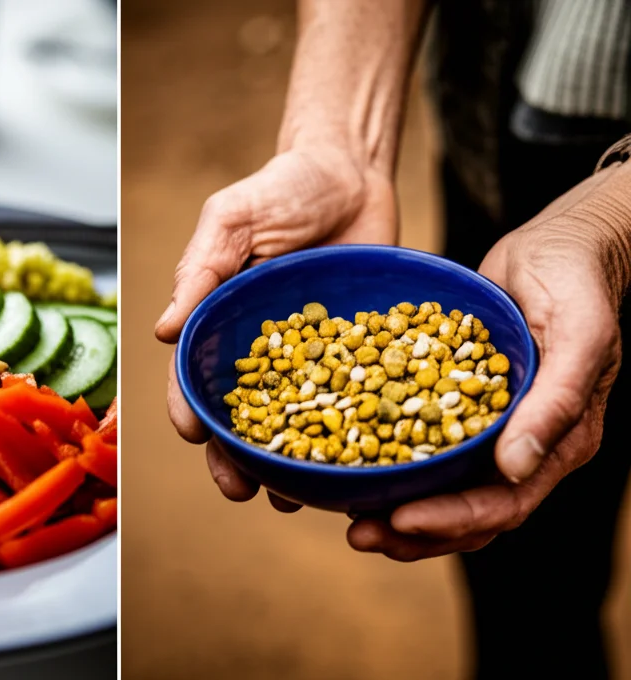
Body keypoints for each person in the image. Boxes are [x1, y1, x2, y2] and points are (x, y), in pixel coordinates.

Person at [155, 2, 631, 679]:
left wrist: (613, 221)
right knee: (522, 570)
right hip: (496, 104)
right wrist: (341, 139)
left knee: (551, 536)